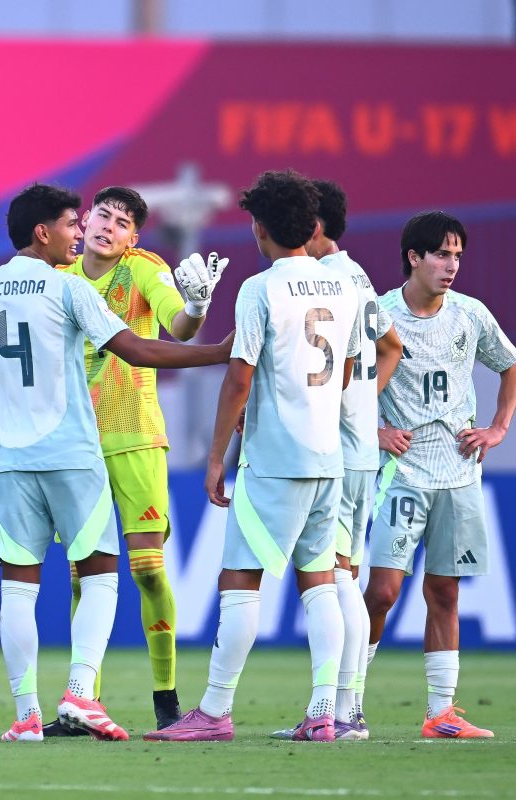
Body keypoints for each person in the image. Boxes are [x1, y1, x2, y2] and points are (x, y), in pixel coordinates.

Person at [0, 183, 233, 742]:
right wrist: (219, 352)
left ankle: (27, 716)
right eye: (71, 222)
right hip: (74, 455)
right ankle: (83, 694)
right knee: (103, 574)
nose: (80, 231)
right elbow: (138, 348)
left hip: (13, 460)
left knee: (18, 587)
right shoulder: (68, 287)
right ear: (44, 232)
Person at [146, 169, 360, 743]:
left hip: (274, 460)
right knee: (319, 581)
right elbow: (342, 370)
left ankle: (214, 711)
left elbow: (239, 378)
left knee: (239, 580)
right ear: (311, 226)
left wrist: (216, 456)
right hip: (327, 457)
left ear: (259, 227)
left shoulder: (260, 288)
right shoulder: (345, 286)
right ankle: (324, 713)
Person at [53, 186, 229, 733]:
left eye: (122, 221)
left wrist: (196, 307)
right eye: (102, 214)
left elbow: (178, 328)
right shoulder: (57, 276)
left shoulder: (145, 270)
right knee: (85, 574)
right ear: (84, 221)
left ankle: (166, 699)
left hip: (135, 437)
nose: (109, 225)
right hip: (75, 443)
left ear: (133, 237)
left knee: (148, 571)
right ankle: (86, 701)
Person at [362, 211, 516, 739]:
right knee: (383, 592)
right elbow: (349, 384)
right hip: (401, 471)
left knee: (446, 593)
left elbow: (511, 366)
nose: (452, 265)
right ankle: (344, 703)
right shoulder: (379, 314)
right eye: (442, 254)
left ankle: (441, 714)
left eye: (457, 255)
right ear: (414, 257)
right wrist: (375, 430)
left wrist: (497, 428)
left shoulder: (470, 314)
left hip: (458, 471)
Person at [267, 179, 404, 741]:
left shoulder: (327, 280)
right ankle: (348, 711)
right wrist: (363, 408)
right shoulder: (359, 277)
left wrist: (346, 407)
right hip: (358, 448)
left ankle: (345, 713)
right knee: (340, 574)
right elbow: (392, 346)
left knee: (337, 577)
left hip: (336, 448)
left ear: (314, 226)